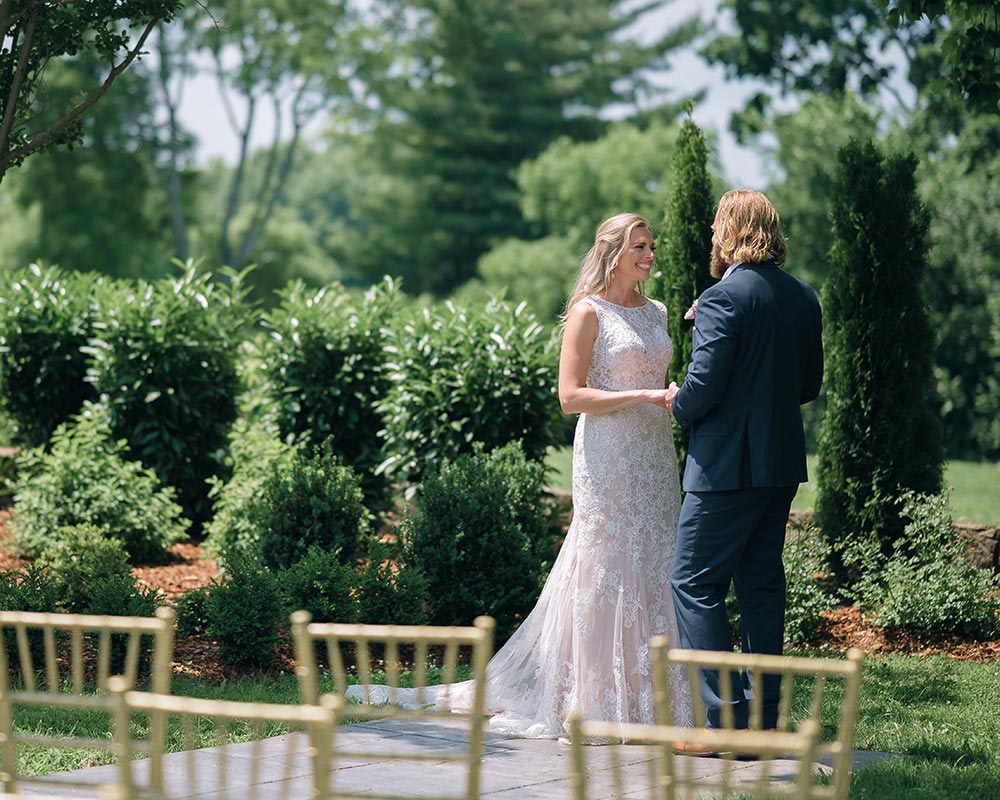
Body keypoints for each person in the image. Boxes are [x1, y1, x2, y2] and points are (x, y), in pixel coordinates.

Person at [347, 212, 692, 739]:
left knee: (656, 559)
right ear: (612, 252)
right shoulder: (587, 313)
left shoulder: (660, 312)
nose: (649, 255)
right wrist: (644, 395)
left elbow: (661, 378)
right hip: (608, 454)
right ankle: (594, 696)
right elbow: (570, 396)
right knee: (606, 564)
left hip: (653, 455)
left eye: (651, 246)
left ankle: (655, 695)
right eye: (640, 247)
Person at [664, 189, 823, 740]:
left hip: (724, 467)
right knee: (760, 587)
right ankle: (765, 718)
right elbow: (808, 386)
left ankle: (726, 721)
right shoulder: (803, 297)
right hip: (780, 466)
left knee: (692, 582)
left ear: (734, 231)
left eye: (716, 227)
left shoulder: (721, 299)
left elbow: (701, 390)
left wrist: (675, 401)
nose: (710, 235)